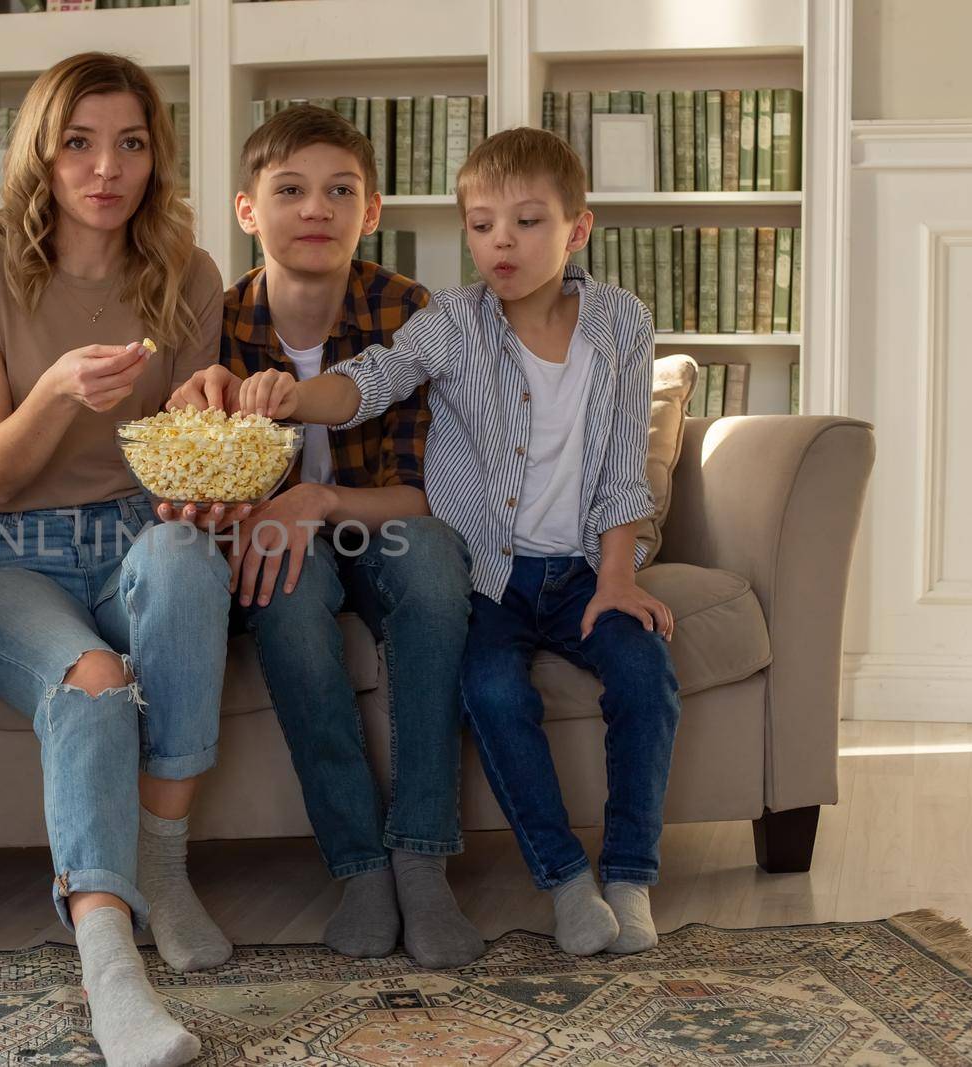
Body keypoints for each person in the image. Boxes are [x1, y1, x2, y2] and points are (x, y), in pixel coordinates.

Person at [237, 126, 681, 957]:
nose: (500, 243)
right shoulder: (452, 323)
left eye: (526, 222)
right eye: (481, 226)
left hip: (589, 568)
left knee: (645, 676)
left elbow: (625, 466)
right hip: (495, 580)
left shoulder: (621, 322)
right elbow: (371, 381)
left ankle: (629, 873)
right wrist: (296, 400)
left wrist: (618, 576)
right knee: (496, 694)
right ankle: (566, 882)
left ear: (576, 230)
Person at [0, 52, 230, 1066]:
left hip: (134, 534)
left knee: (190, 555)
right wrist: (58, 388)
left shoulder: (188, 275)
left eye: (131, 143)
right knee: (95, 682)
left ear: (156, 157)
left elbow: (187, 461)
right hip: (11, 554)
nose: (105, 167)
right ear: (42, 155)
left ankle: (167, 860)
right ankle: (109, 965)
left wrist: (202, 443)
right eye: (78, 142)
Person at [168, 105, 482, 968]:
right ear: (246, 211)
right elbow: (198, 469)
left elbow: (427, 499)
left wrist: (314, 497)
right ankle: (360, 866)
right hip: (280, 546)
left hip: (390, 529)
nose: (317, 209)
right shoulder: (220, 322)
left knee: (432, 566)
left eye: (340, 191)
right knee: (284, 588)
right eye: (291, 190)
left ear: (371, 211)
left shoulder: (410, 312)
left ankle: (422, 857)